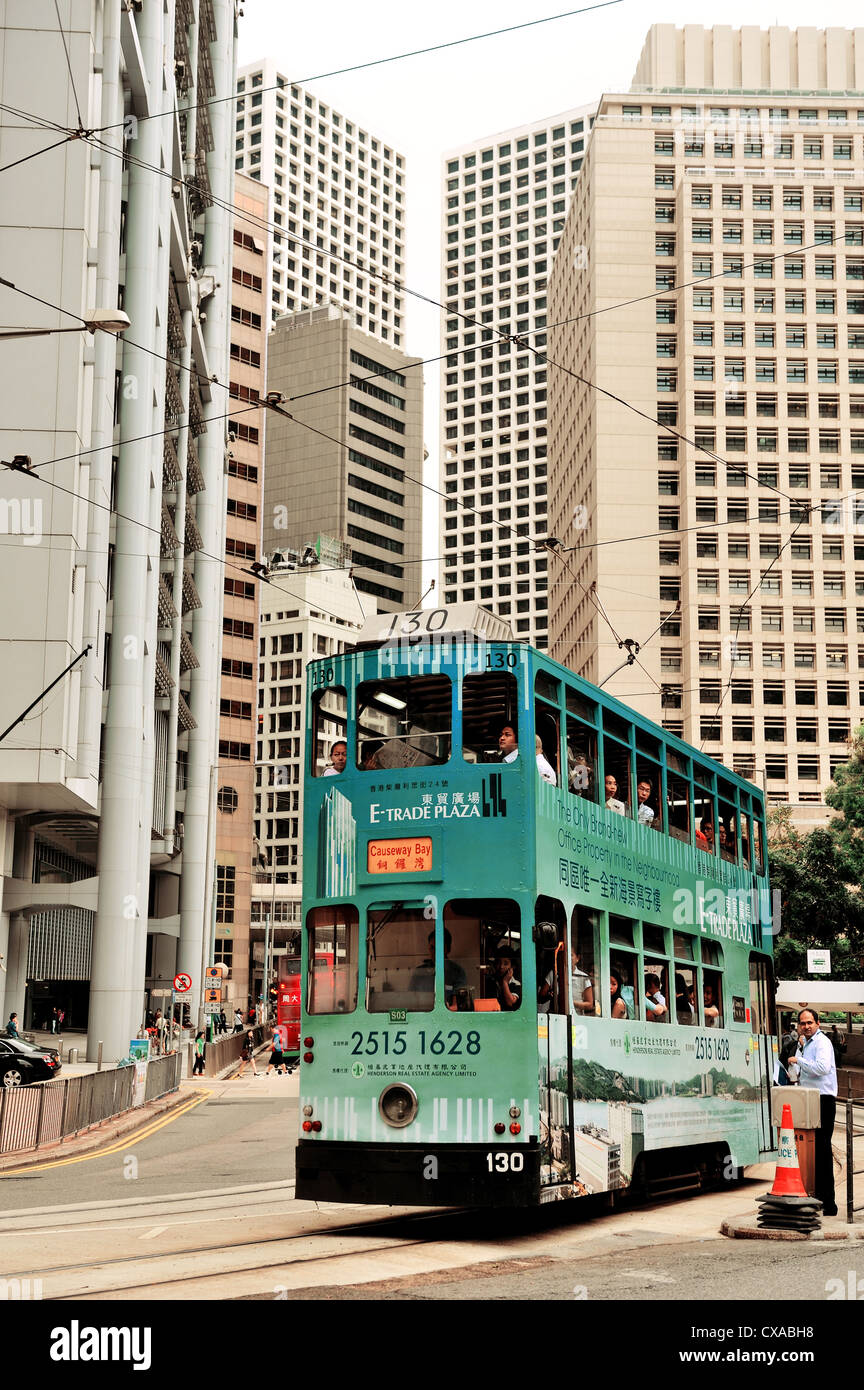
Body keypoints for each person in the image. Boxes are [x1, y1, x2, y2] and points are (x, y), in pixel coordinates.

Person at [794, 1009, 838, 1215]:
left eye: (810, 1022)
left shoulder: (822, 1043)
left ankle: (829, 1203)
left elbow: (822, 1068)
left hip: (823, 1099)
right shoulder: (805, 1044)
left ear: (818, 1023)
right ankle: (818, 1196)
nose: (806, 1026)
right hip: (809, 1098)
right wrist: (798, 1057)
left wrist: (799, 1061)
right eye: (803, 1023)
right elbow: (798, 1072)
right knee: (813, 1150)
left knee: (822, 1148)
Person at [410, 929, 468, 1009]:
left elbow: (457, 1005)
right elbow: (411, 1001)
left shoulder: (457, 972)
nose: (435, 952)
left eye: (439, 947)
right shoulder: (419, 972)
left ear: (448, 949)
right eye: (432, 948)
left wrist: (448, 1009)